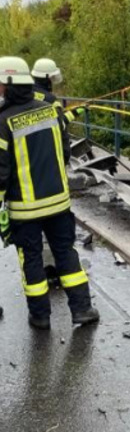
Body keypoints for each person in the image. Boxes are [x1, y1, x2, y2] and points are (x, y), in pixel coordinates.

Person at [0, 56, 98, 328]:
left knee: (31, 261)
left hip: (25, 210)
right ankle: (82, 310)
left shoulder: (4, 121)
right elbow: (66, 153)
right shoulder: (51, 111)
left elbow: (1, 172)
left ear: (8, 85)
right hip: (58, 203)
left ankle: (41, 317)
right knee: (66, 253)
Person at [30, 58, 75, 123]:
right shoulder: (51, 100)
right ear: (48, 78)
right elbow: (61, 122)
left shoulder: (27, 93)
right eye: (53, 76)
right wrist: (76, 111)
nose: (53, 79)